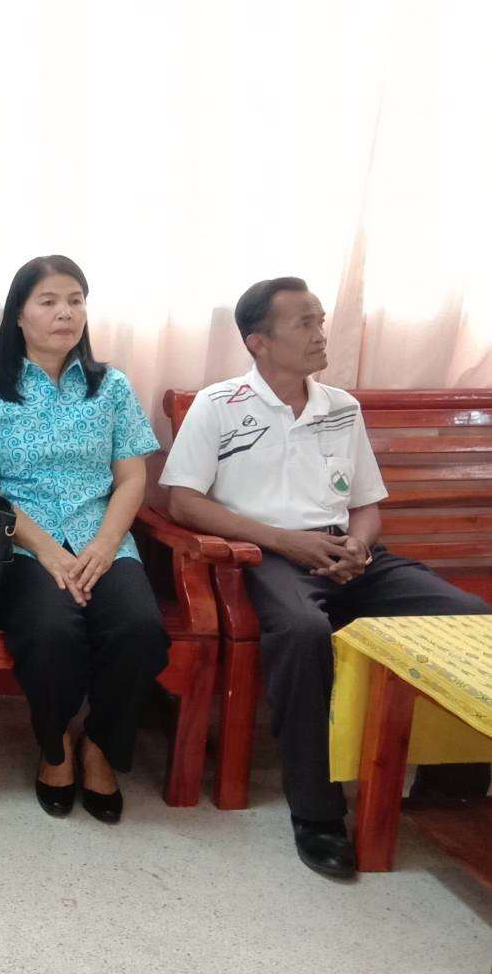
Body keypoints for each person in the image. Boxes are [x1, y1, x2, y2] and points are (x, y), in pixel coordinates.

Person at [161, 276, 491, 878]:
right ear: (259, 341)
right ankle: (317, 814)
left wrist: (359, 546)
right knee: (302, 631)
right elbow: (183, 501)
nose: (321, 334)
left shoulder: (341, 408)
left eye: (320, 320)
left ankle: (455, 785)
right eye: (305, 323)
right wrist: (285, 540)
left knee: (469, 619)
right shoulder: (219, 404)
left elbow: (366, 504)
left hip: (349, 555)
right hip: (269, 555)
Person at [0, 255, 169, 823]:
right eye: (48, 301)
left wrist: (103, 545)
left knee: (139, 628)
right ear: (19, 315)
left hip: (103, 542)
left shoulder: (111, 387)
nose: (65, 312)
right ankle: (55, 746)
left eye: (75, 300)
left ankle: (101, 745)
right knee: (51, 631)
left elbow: (132, 478)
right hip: (23, 547)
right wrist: (48, 551)